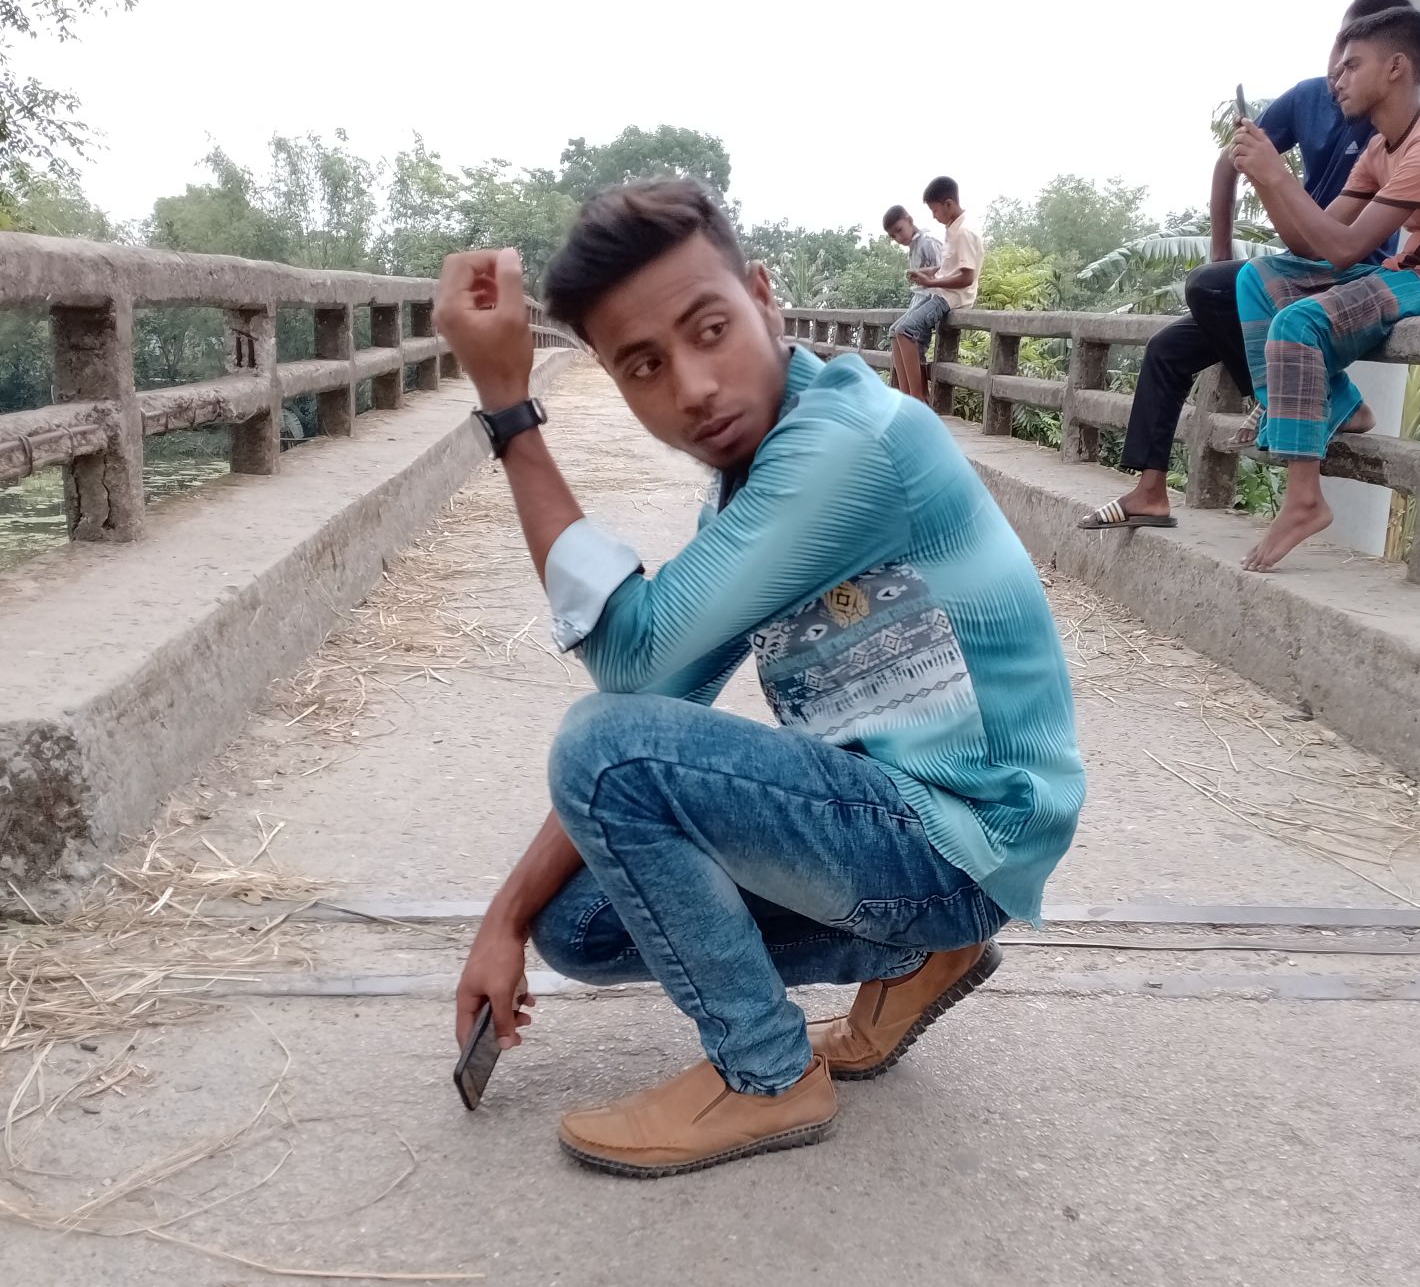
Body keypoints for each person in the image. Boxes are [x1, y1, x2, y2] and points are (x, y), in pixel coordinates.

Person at [433, 178, 1085, 1178]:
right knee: (577, 922)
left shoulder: (847, 445)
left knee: (597, 747)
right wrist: (507, 917)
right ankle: (919, 955)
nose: (693, 388)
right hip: (906, 835)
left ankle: (766, 1072)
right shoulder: (759, 479)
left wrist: (510, 411)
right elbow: (656, 704)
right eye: (644, 365)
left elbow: (628, 667)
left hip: (959, 835)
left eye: (710, 330)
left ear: (765, 297)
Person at [1079, 0, 1412, 532]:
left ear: (1390, 65)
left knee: (1209, 286)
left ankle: (1337, 401)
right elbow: (1228, 162)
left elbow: (1350, 237)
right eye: (1339, 50)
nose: (1340, 69)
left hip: (1353, 277)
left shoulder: (1393, 125)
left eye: (1354, 59)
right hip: (1297, 269)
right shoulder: (1308, 99)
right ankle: (1150, 493)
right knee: (1168, 348)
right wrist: (1221, 253)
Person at [1230, 4, 1420, 571]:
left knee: (1299, 322)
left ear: (1396, 67)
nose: (1336, 79)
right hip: (1404, 272)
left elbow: (1344, 248)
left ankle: (1305, 499)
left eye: (1351, 66)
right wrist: (1266, 180)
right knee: (1256, 279)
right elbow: (1309, 241)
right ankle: (1344, 408)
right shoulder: (1379, 149)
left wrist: (1277, 173)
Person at [894, 175, 985, 406]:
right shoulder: (953, 227)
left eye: (935, 210)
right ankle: (907, 397)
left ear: (948, 204)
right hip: (941, 292)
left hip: (953, 297)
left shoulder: (964, 231)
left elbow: (967, 277)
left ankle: (918, 401)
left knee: (905, 331)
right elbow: (949, 266)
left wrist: (932, 283)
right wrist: (929, 273)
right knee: (895, 332)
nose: (934, 216)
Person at [882, 203, 946, 400]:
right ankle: (907, 395)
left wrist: (923, 275)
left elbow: (944, 269)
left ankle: (917, 397)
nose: (898, 237)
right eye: (893, 236)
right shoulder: (913, 247)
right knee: (894, 332)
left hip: (932, 297)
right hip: (919, 298)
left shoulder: (928, 242)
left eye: (899, 230)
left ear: (909, 220)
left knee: (908, 335)